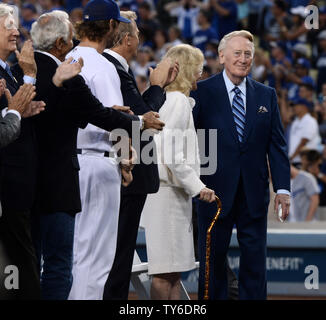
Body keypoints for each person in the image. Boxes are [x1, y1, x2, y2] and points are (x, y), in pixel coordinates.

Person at [29, 8, 163, 300]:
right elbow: (110, 118)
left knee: (73, 256)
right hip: (96, 164)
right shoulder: (102, 66)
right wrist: (126, 158)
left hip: (71, 163)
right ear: (113, 25)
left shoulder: (68, 59)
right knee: (96, 260)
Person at [191, 30, 290, 300]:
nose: (243, 59)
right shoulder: (200, 91)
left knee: (256, 262)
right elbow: (188, 140)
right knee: (212, 261)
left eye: (248, 54)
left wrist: (282, 189)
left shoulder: (266, 95)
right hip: (212, 192)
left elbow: (277, 146)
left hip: (254, 193)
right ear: (222, 56)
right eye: (237, 53)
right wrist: (193, 183)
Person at [102, 10, 178, 300]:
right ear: (126, 40)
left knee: (117, 255)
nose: (140, 37)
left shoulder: (115, 64)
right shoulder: (113, 66)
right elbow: (143, 121)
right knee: (118, 258)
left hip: (125, 173)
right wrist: (157, 87)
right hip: (124, 175)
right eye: (136, 32)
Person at [141, 44, 216, 300]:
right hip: (167, 196)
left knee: (172, 274)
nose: (201, 73)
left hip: (172, 194)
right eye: (198, 67)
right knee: (164, 274)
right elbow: (169, 152)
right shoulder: (177, 101)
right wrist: (199, 187)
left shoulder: (173, 100)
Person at [0, 3, 45, 300]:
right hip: (8, 185)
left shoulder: (7, 71)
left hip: (16, 185)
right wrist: (14, 112)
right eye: (7, 25)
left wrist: (17, 111)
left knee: (16, 267)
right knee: (18, 267)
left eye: (15, 24)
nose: (16, 30)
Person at [288, 97, 320, 167]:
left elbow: (303, 141)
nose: (294, 108)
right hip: (294, 161)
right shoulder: (295, 122)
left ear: (304, 107)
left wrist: (291, 157)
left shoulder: (310, 121)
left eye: (296, 105)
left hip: (307, 162)